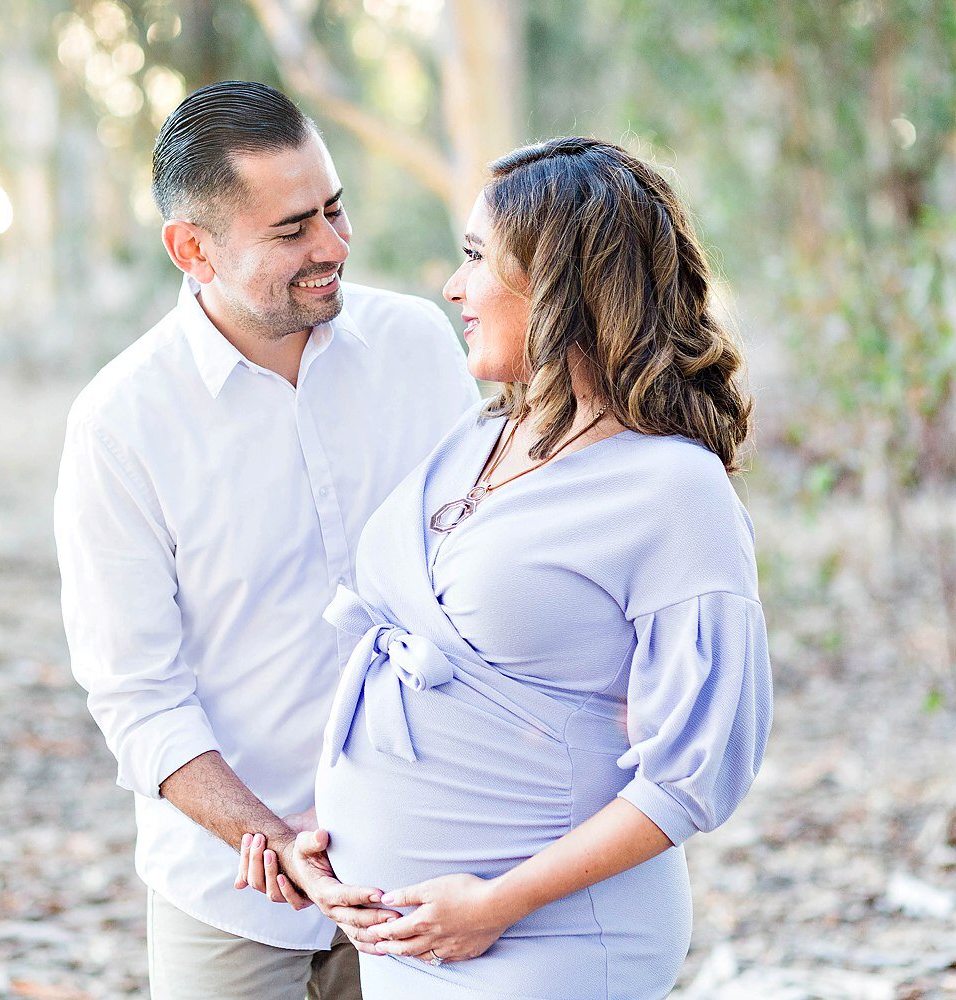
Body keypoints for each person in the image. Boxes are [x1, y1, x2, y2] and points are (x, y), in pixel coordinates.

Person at [237, 137, 774, 999]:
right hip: (411, 941)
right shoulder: (481, 436)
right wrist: (323, 825)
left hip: (545, 941)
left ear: (559, 281)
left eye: (477, 258)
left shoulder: (674, 489)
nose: (453, 287)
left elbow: (693, 774)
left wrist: (495, 903)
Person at [54, 80, 480, 1000]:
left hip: (435, 866)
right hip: (229, 895)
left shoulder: (419, 346)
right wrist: (275, 838)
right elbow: (137, 696)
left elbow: (480, 576)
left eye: (333, 209)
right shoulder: (120, 426)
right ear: (192, 250)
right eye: (291, 231)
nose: (330, 246)